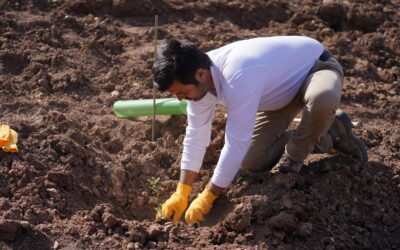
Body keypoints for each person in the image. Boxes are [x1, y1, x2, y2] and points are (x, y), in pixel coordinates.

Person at [152, 36, 368, 224]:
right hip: (277, 96)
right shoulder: (197, 81)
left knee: (322, 100)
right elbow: (196, 136)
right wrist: (182, 192)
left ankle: (295, 155)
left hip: (315, 68)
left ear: (200, 75)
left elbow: (236, 141)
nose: (179, 98)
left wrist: (209, 195)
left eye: (181, 92)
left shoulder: (238, 74)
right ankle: (328, 134)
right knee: (251, 160)